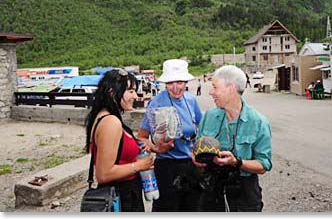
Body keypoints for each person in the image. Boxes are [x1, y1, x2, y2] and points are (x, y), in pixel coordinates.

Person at [193, 65, 272, 212]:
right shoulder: (209, 116)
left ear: (231, 88)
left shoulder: (258, 122)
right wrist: (199, 159)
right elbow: (195, 149)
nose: (211, 92)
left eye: (215, 87)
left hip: (244, 192)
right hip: (211, 189)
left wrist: (236, 162)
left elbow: (263, 165)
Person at [85, 69, 154, 212]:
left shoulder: (106, 116)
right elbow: (104, 174)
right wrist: (139, 165)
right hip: (121, 197)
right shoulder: (110, 122)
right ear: (112, 92)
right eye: (130, 91)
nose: (135, 96)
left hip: (125, 193)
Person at [138, 59, 203, 212]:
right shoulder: (156, 103)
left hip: (191, 165)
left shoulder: (191, 100)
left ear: (186, 82)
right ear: (165, 83)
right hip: (167, 167)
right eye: (170, 83)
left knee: (192, 208)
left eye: (179, 82)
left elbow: (202, 128)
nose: (175, 88)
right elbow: (141, 137)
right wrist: (156, 149)